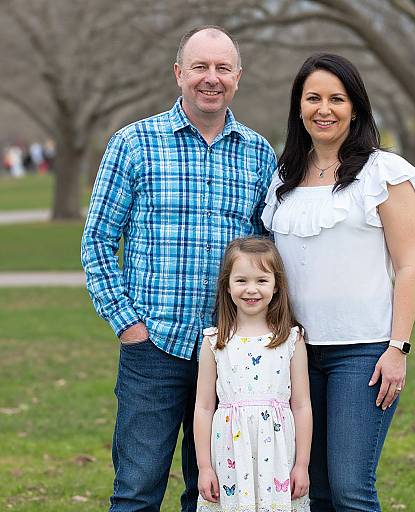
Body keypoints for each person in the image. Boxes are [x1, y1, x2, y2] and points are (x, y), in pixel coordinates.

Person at [81, 26, 276, 512]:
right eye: (200, 67)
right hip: (155, 348)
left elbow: (266, 251)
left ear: (238, 77)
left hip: (230, 350)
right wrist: (129, 326)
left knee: (213, 494)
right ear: (179, 73)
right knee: (137, 490)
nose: (211, 78)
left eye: (223, 68)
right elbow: (98, 241)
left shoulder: (258, 154)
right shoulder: (133, 144)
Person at [262, 53, 415, 511]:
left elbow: (409, 266)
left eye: (337, 98)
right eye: (313, 98)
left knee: (352, 487)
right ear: (298, 107)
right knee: (313, 489)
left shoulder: (385, 173)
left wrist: (399, 349)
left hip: (364, 352)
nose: (324, 108)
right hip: (294, 354)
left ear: (355, 107)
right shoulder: (283, 179)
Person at [194, 237, 312, 512]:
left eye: (261, 280)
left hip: (278, 454)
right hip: (230, 455)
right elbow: (203, 407)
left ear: (276, 285)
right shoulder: (215, 341)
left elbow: (302, 405)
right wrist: (204, 467)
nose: (251, 290)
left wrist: (302, 464)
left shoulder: (291, 339)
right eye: (241, 280)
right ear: (227, 285)